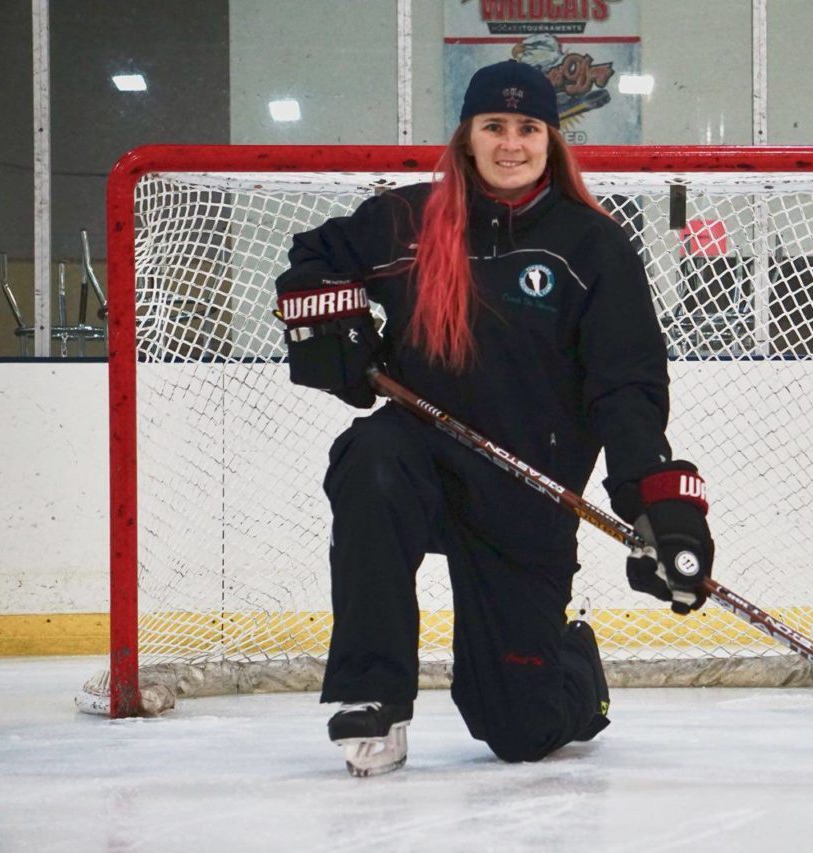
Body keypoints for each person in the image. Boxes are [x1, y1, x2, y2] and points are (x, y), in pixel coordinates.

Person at [273, 59, 714, 777]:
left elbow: (625, 387)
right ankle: (372, 693)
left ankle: (572, 665)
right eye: (494, 126)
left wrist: (653, 504)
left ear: (551, 139)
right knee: (371, 456)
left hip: (527, 496)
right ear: (468, 136)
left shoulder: (591, 245)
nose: (512, 144)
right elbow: (311, 262)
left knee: (520, 730)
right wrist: (337, 329)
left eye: (528, 128)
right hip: (424, 461)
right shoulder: (404, 222)